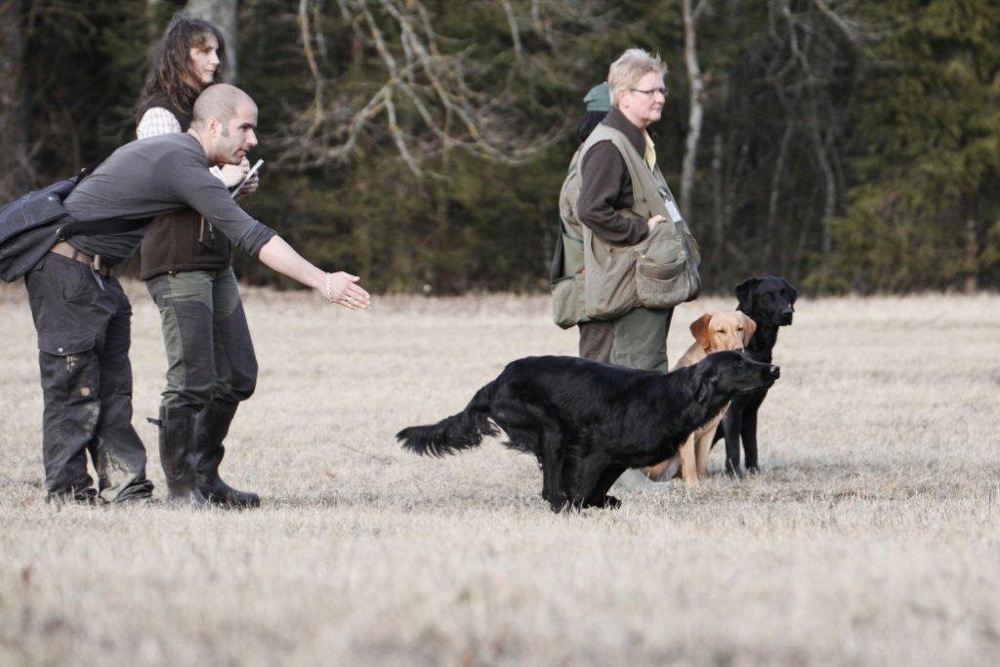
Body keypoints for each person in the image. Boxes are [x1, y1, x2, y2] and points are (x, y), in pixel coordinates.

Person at [23, 83, 371, 505]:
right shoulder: (180, 161)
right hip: (65, 270)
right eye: (244, 128)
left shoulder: (183, 158)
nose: (253, 140)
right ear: (213, 125)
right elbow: (250, 234)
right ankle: (68, 496)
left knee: (115, 389)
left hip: (99, 274)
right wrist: (322, 280)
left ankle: (128, 491)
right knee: (74, 385)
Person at [135, 15, 263, 508]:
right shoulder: (159, 116)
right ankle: (183, 488)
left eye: (216, 52)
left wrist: (238, 183)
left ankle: (207, 474)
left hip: (214, 258)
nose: (214, 60)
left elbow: (208, 187)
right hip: (176, 258)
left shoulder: (210, 112)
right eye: (203, 52)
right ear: (178, 55)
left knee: (239, 375)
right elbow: (163, 185)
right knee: (190, 381)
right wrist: (222, 181)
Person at [575, 48, 700, 372]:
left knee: (647, 374)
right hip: (630, 289)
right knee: (635, 382)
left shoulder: (636, 141)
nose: (659, 98)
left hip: (644, 286)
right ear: (624, 97)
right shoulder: (608, 145)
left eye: (662, 90)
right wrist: (641, 231)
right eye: (650, 91)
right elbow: (591, 209)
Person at [553, 83, 614, 362]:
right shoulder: (596, 159)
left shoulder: (587, 154)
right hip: (597, 280)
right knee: (599, 370)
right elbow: (590, 216)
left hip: (598, 278)